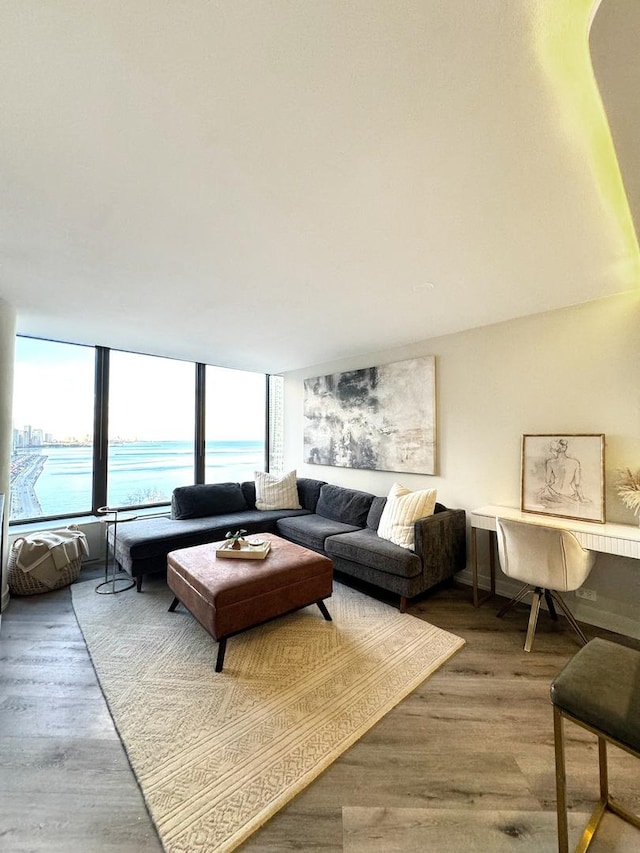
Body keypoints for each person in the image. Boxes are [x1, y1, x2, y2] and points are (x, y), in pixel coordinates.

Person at [537, 439, 590, 504]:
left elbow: (548, 481)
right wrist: (582, 498)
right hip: (569, 494)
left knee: (540, 494)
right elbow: (577, 484)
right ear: (565, 448)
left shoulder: (550, 462)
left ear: (554, 450)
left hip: (553, 494)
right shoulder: (575, 463)